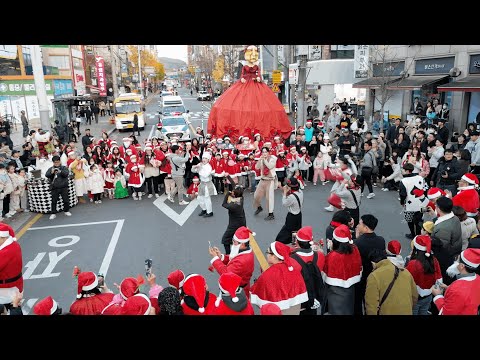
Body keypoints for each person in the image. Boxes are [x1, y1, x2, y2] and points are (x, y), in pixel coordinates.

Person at [207, 45, 291, 141]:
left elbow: (258, 73)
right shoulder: (245, 65)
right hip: (244, 83)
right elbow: (243, 73)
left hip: (256, 83)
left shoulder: (256, 64)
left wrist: (258, 77)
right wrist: (243, 78)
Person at [250, 241, 308, 315]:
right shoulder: (293, 270)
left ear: (274, 256)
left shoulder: (268, 275)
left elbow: (258, 291)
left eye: (268, 253)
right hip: (294, 308)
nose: (266, 255)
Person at [323, 224, 362, 315]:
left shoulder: (333, 256)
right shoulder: (354, 249)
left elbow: (325, 272)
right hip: (351, 288)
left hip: (335, 291)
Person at [364, 249, 418, 315]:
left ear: (373, 263)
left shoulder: (374, 276)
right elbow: (414, 295)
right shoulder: (405, 272)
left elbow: (371, 305)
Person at [209, 226, 255, 298]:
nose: (233, 243)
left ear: (242, 244)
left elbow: (225, 273)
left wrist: (215, 258)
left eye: (234, 242)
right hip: (240, 286)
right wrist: (220, 257)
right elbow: (233, 259)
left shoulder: (242, 260)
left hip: (236, 291)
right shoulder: (245, 250)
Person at [353, 214, 386, 315]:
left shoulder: (357, 243)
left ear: (366, 227)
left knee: (357, 303)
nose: (358, 226)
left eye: (360, 224)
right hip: (377, 277)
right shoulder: (381, 240)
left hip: (361, 278)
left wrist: (357, 237)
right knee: (372, 304)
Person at [289, 226, 326, 315]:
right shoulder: (320, 256)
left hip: (299, 299)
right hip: (314, 296)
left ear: (296, 241)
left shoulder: (291, 259)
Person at [431, 248, 480, 315]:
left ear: (462, 266)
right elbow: (467, 296)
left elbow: (446, 313)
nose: (456, 261)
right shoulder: (478, 278)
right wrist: (448, 288)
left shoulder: (457, 289)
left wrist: (438, 296)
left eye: (458, 260)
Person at [405, 235, 442, 315]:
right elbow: (439, 278)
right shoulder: (434, 260)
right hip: (428, 296)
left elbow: (406, 280)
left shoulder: (413, 263)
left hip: (415, 298)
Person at [431, 196, 462, 285]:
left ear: (439, 209)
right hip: (454, 252)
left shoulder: (442, 228)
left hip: (445, 257)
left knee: (445, 276)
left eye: (436, 206)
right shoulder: (454, 218)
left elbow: (440, 247)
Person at [400, 163, 429, 239]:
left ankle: (413, 234)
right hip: (422, 202)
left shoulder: (403, 181)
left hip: (410, 203)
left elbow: (403, 194)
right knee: (420, 219)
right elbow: (425, 188)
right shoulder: (420, 178)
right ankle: (419, 234)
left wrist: (402, 202)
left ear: (406, 171)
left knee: (410, 219)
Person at [0, 223, 23, 306]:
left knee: (10, 308)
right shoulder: (14, 245)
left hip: (6, 289)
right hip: (14, 286)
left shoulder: (5, 252)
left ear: (3, 238)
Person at [275, 177, 303, 244]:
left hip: (292, 217)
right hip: (299, 215)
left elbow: (284, 203)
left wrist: (284, 192)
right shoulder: (300, 192)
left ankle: (279, 245)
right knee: (295, 233)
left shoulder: (291, 197)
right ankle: (295, 245)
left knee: (283, 235)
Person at [253, 146, 277, 220]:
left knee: (269, 198)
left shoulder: (273, 159)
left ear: (268, 152)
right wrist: (260, 160)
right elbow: (257, 167)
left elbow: (270, 166)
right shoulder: (262, 159)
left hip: (270, 180)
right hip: (262, 180)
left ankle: (271, 214)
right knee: (256, 196)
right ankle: (259, 207)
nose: (264, 153)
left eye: (265, 152)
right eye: (263, 152)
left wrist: (264, 160)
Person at [221, 185, 246, 254]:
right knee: (240, 239)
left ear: (234, 194)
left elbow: (224, 204)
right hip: (242, 222)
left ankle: (228, 254)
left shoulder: (233, 206)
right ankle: (240, 252)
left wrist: (227, 195)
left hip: (234, 225)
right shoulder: (241, 198)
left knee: (225, 239)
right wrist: (228, 176)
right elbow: (234, 184)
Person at [45, 155, 72, 220]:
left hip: (63, 187)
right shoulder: (51, 168)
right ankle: (53, 213)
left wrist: (60, 171)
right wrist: (52, 173)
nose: (56, 163)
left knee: (66, 200)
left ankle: (66, 211)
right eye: (55, 162)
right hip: (55, 187)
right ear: (53, 162)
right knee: (54, 201)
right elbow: (47, 175)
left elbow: (66, 174)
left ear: (60, 161)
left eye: (57, 162)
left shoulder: (64, 167)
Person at [191, 151, 217, 217]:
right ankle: (204, 209)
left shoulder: (209, 166)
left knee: (207, 198)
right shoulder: (200, 164)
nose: (204, 160)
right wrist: (195, 167)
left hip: (207, 184)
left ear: (208, 159)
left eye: (205, 158)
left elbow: (205, 175)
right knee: (199, 198)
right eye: (203, 158)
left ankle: (209, 212)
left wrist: (199, 169)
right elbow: (193, 171)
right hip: (202, 183)